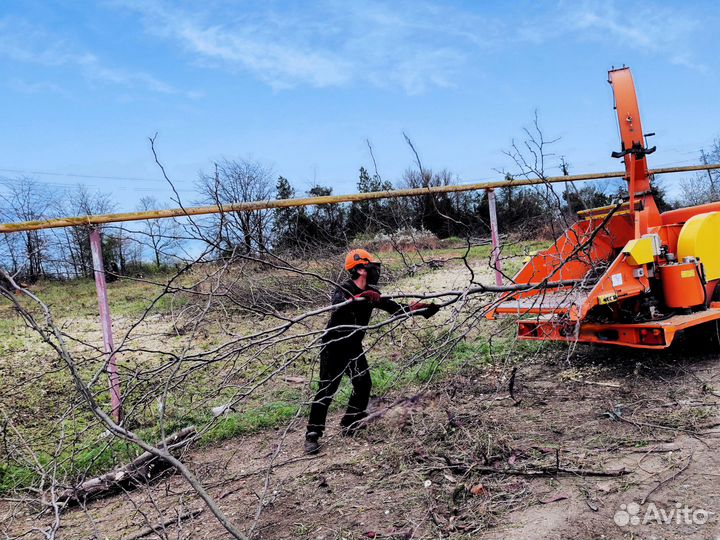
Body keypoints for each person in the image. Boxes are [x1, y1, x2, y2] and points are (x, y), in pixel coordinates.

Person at [304, 248, 440, 454]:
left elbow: (395, 308)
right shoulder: (344, 289)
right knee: (326, 390)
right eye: (370, 266)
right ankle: (312, 434)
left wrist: (420, 309)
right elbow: (338, 306)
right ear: (359, 269)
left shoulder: (372, 291)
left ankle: (350, 422)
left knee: (363, 384)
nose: (375, 269)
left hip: (353, 347)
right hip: (334, 345)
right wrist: (360, 296)